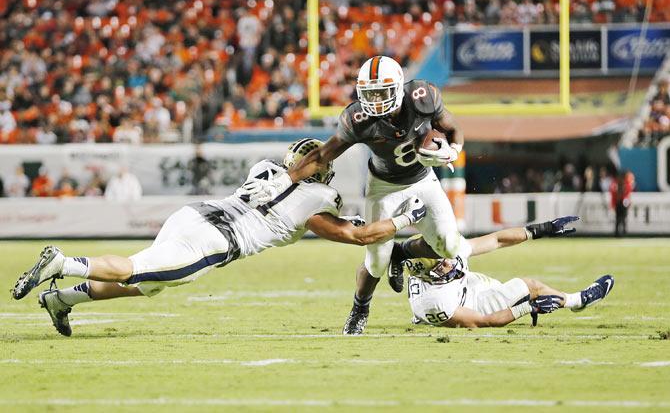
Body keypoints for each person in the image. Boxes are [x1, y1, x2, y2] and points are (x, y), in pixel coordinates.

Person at [11, 139, 427, 337]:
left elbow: (295, 199)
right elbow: (356, 236)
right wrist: (406, 218)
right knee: (140, 269)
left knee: (151, 285)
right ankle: (63, 265)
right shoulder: (318, 197)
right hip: (217, 239)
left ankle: (61, 299)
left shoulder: (265, 168)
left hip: (194, 214)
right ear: (317, 170)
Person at [240, 56, 465, 335]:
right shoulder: (358, 118)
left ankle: (403, 251)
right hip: (383, 186)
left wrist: (452, 150)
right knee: (376, 260)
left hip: (424, 179)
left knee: (449, 247)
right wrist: (283, 181)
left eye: (382, 92)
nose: (376, 100)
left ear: (397, 87)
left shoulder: (423, 96)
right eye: (370, 94)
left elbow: (453, 129)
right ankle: (360, 307)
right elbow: (322, 155)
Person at [399, 216, 615, 328]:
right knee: (531, 287)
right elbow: (483, 321)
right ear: (430, 274)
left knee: (494, 285)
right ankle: (578, 301)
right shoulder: (434, 301)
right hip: (464, 306)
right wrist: (529, 307)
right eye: (442, 263)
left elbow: (497, 240)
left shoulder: (441, 254)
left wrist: (541, 229)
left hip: (463, 288)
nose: (450, 261)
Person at [609, 171, 634, 237]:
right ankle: (620, 232)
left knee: (621, 218)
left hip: (621, 202)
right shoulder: (620, 183)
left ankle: (621, 232)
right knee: (620, 218)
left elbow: (627, 194)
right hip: (619, 202)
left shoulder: (621, 183)